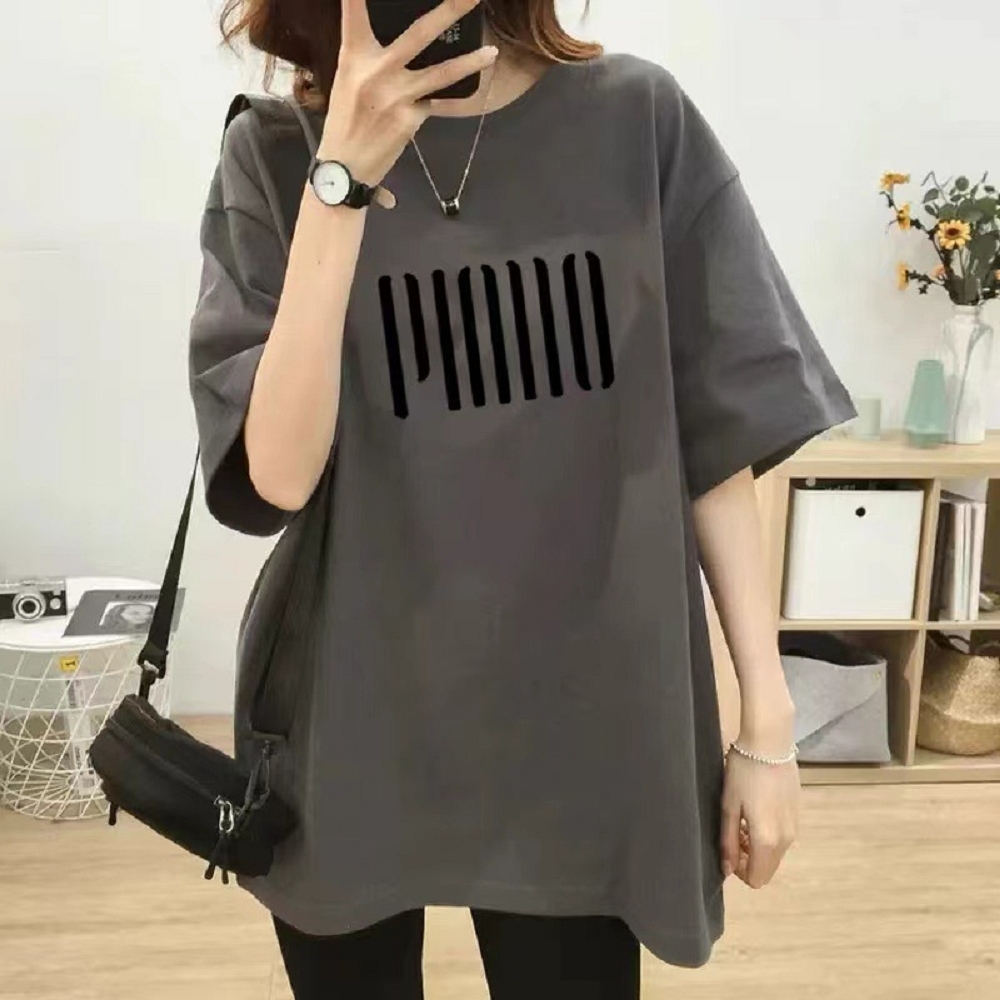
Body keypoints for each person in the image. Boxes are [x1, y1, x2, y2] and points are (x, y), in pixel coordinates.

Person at [188, 0, 856, 995]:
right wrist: (339, 184)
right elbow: (277, 478)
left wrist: (767, 723)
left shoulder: (635, 120)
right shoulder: (276, 154)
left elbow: (716, 434)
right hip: (354, 712)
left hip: (586, 720)